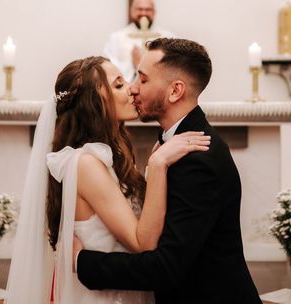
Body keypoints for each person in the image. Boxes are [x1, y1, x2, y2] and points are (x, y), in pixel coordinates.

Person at [4, 56, 210, 304]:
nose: (133, 89)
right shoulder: (86, 164)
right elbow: (141, 243)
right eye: (119, 84)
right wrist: (157, 167)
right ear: (95, 102)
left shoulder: (106, 157)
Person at [75, 38, 262, 304]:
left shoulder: (198, 159)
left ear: (175, 91)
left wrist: (82, 262)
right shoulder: (168, 144)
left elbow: (164, 268)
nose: (133, 89)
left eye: (143, 79)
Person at [104, 0, 174, 83]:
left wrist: (147, 62)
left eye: (148, 9)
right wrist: (133, 65)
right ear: (131, 11)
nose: (143, 13)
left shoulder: (167, 37)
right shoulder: (116, 37)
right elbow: (109, 68)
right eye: (139, 9)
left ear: (154, 12)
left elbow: (173, 67)